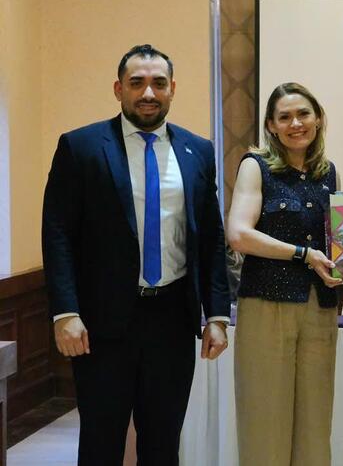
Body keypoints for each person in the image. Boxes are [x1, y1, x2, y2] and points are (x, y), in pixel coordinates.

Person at [42, 44, 230, 465]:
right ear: (118, 89)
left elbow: (210, 238)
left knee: (163, 444)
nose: (148, 93)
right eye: (137, 83)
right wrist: (65, 312)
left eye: (158, 83)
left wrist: (217, 314)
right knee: (100, 443)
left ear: (172, 89)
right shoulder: (81, 147)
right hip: (101, 324)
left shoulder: (197, 151)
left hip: (172, 321)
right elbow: (58, 235)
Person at [226, 82, 341, 466]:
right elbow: (239, 234)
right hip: (267, 304)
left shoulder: (328, 173)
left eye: (303, 114)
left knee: (315, 426)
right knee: (265, 423)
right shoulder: (255, 165)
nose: (296, 123)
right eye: (285, 117)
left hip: (320, 308)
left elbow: (336, 239)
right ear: (271, 126)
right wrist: (303, 255)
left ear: (318, 119)